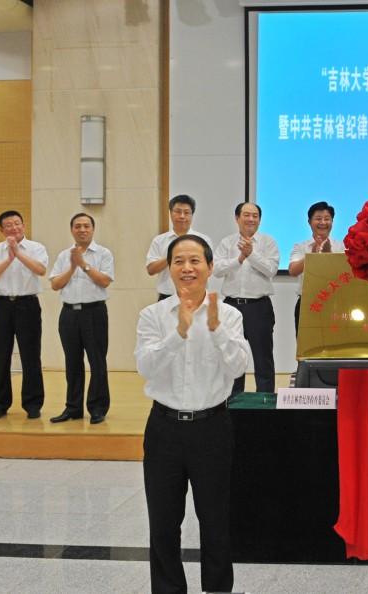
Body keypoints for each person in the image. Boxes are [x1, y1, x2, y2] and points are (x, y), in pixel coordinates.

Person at [134, 234, 250, 593]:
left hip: (211, 428)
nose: (187, 268)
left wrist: (215, 330)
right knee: (163, 524)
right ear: (169, 268)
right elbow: (145, 368)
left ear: (210, 267)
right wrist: (178, 333)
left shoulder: (229, 315)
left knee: (215, 521)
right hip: (164, 428)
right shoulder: (153, 315)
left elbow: (238, 367)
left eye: (195, 261)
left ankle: (217, 589)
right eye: (179, 261)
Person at [0, 210, 49, 420]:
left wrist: (18, 253)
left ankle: (33, 403)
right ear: (2, 230)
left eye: (17, 223)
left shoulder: (36, 248)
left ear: (23, 225)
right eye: (9, 225)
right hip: (1, 305)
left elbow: (40, 270)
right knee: (0, 355)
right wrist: (8, 259)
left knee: (31, 355)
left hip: (27, 304)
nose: (14, 227)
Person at [48, 213, 114, 425]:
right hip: (69, 314)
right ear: (72, 230)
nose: (82, 230)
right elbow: (55, 284)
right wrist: (72, 266)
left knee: (97, 361)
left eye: (86, 226)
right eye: (78, 226)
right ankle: (73, 408)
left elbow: (104, 281)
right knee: (72, 362)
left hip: (94, 312)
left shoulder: (103, 253)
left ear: (93, 229)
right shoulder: (63, 255)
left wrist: (83, 264)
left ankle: (97, 408)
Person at [214, 202, 279, 394]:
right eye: (246, 215)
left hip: (259, 307)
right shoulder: (227, 243)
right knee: (232, 357)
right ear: (237, 218)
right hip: (231, 307)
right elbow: (216, 269)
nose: (251, 219)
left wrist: (251, 255)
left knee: (263, 358)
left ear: (260, 220)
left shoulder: (268, 242)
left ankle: (265, 401)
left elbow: (271, 270)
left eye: (255, 216)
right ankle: (234, 401)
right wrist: (239, 259)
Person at [289, 200, 344, 334]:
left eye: (327, 219)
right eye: (318, 218)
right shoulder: (300, 246)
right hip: (307, 303)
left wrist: (329, 254)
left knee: (335, 343)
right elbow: (293, 270)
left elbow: (343, 273)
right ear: (309, 222)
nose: (323, 222)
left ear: (332, 222)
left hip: (335, 303)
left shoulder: (341, 246)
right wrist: (311, 256)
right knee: (306, 344)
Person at [146, 194, 212, 301]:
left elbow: (208, 269)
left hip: (196, 297)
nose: (182, 216)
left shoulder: (203, 240)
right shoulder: (159, 240)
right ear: (171, 213)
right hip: (167, 297)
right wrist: (172, 256)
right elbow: (151, 270)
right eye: (177, 211)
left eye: (186, 212)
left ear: (192, 215)